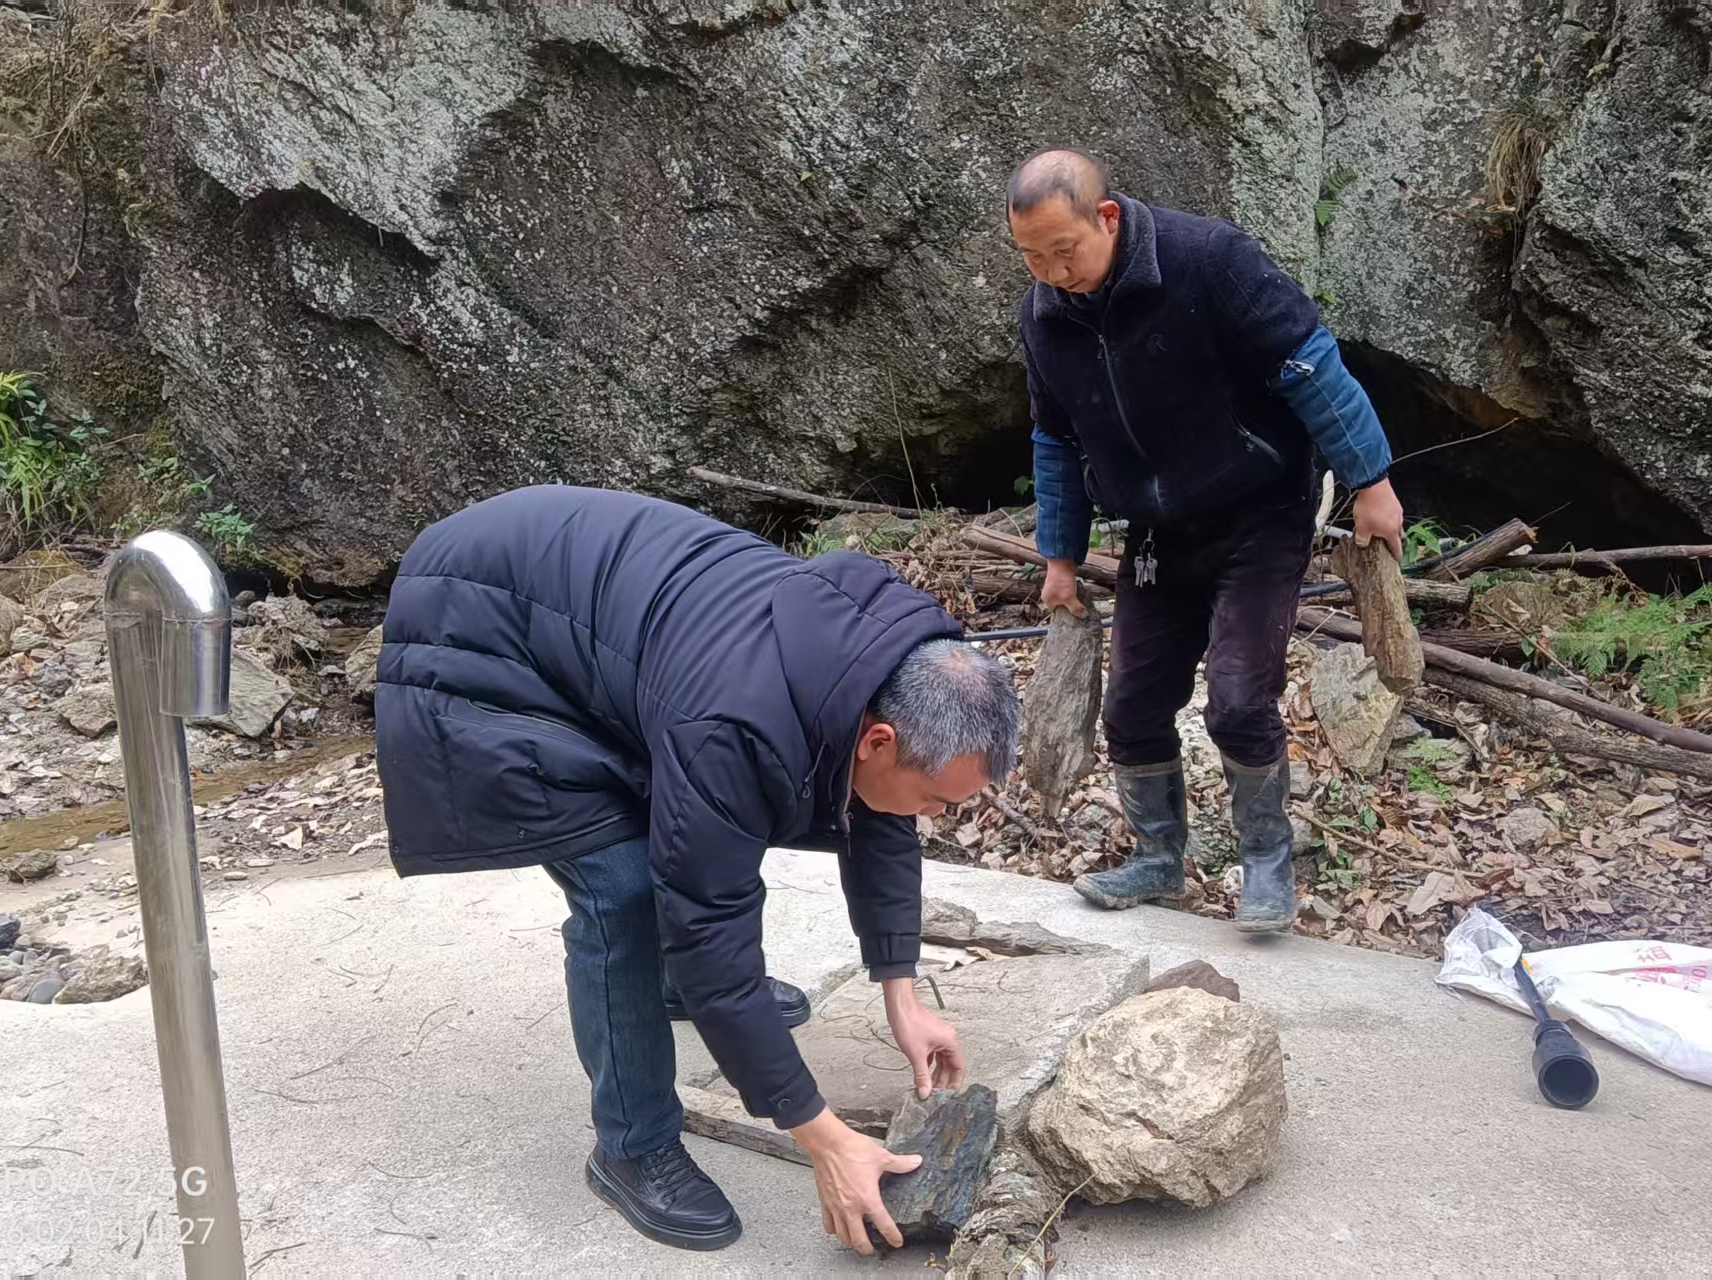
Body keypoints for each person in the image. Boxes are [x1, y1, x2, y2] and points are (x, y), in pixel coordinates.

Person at [371, 486, 1020, 1255]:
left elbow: (878, 819)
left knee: (700, 861)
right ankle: (632, 1145)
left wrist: (900, 990)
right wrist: (822, 1136)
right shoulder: (734, 727)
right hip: (483, 628)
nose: (936, 817)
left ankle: (668, 990)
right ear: (878, 740)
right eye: (937, 799)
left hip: (592, 611)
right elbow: (708, 923)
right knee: (625, 896)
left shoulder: (892, 659)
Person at [1007, 148, 1404, 933]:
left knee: (1236, 700)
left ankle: (1267, 864)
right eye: (1033, 257)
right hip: (1158, 530)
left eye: (1066, 250)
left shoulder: (1207, 261)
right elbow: (1055, 439)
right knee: (1132, 704)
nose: (1053, 271)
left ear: (1107, 218)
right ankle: (1158, 860)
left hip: (1259, 508)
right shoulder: (1045, 316)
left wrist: (1373, 481)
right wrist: (1059, 557)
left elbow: (1310, 366)